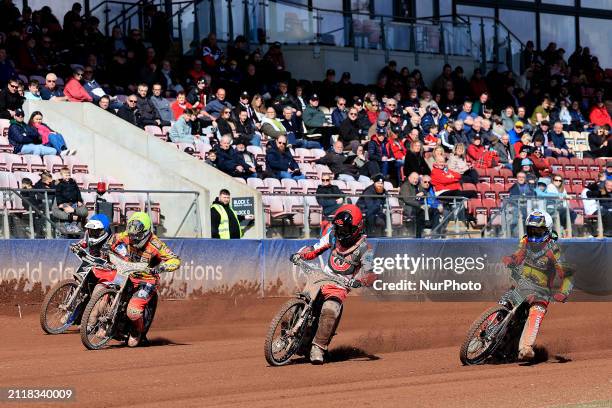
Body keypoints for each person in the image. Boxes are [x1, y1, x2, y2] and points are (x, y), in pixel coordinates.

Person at [290, 204, 376, 364]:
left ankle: (318, 347)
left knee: (330, 309)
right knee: (300, 301)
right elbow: (316, 249)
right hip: (322, 277)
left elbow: (370, 272)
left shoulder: (365, 249)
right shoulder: (333, 235)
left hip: (340, 285)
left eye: (345, 230)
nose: (341, 233)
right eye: (338, 228)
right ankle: (288, 333)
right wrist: (301, 255)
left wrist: (359, 281)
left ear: (356, 229)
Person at [502, 210, 573, 361]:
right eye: (531, 229)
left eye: (538, 230)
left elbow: (568, 275)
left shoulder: (554, 250)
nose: (534, 233)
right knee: (504, 304)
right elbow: (519, 254)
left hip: (541, 291)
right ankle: (484, 333)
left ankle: (526, 348)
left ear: (547, 230)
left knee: (537, 312)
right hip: (522, 285)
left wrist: (564, 292)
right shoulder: (525, 241)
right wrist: (511, 259)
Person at [106, 212, 181, 346]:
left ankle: (137, 331)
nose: (133, 239)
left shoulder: (156, 244)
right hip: (127, 273)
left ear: (146, 232)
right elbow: (115, 238)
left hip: (146, 280)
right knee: (106, 290)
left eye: (137, 236)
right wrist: (107, 246)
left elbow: (175, 260)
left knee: (133, 311)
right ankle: (100, 324)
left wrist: (161, 268)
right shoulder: (127, 234)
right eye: (131, 235)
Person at [399, 172, 441, 238]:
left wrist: (422, 193)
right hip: (408, 207)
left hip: (421, 206)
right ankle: (418, 235)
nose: (415, 180)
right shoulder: (405, 186)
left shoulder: (418, 185)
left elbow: (424, 191)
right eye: (414, 178)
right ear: (409, 178)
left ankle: (435, 232)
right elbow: (407, 199)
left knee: (435, 211)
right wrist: (419, 205)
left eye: (417, 178)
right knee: (420, 212)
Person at [53, 167, 89, 233]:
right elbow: (58, 195)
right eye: (66, 175)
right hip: (65, 203)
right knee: (68, 213)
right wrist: (60, 204)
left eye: (69, 175)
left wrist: (79, 200)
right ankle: (68, 227)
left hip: (74, 202)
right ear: (62, 175)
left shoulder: (73, 182)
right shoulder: (60, 184)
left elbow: (77, 191)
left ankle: (74, 227)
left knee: (73, 213)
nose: (68, 177)